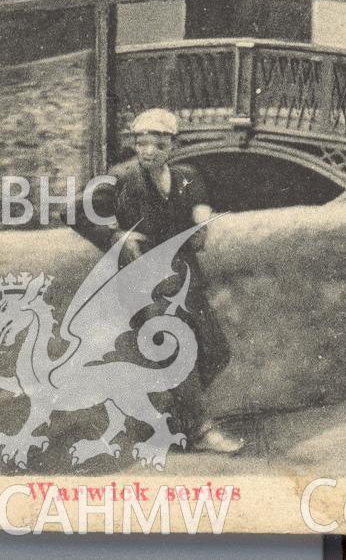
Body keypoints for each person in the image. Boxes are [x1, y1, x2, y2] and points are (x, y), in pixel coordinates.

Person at [82, 109, 245, 455]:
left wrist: (203, 215)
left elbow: (199, 199)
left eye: (158, 143)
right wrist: (117, 236)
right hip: (144, 286)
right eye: (141, 143)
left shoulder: (186, 175)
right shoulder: (121, 178)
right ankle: (200, 428)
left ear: (174, 144)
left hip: (185, 280)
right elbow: (74, 211)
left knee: (217, 351)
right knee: (177, 350)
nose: (149, 150)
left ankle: (175, 421)